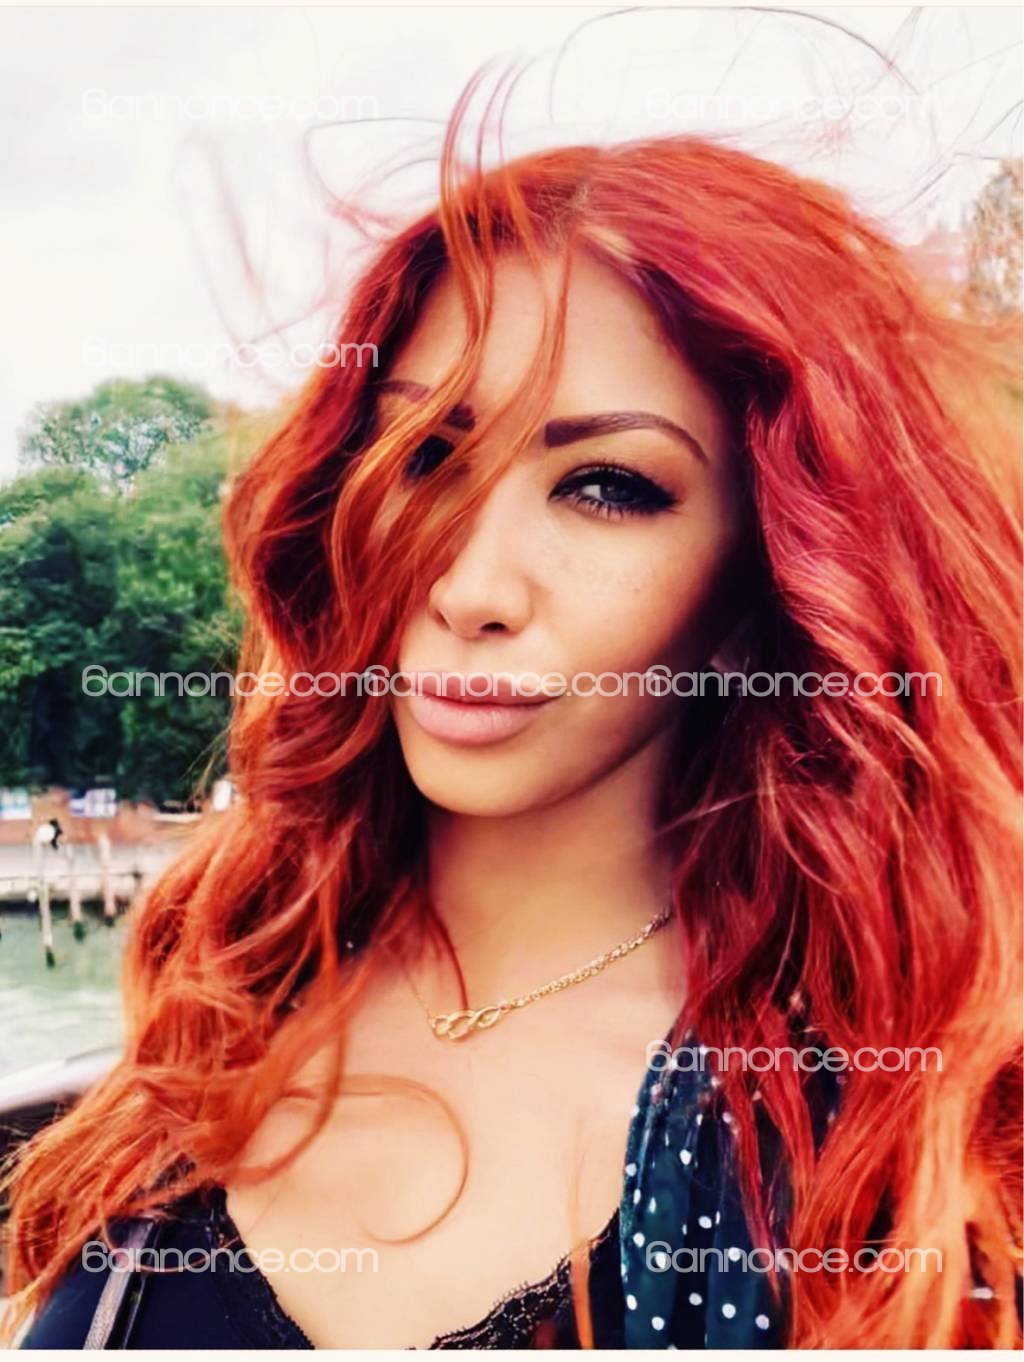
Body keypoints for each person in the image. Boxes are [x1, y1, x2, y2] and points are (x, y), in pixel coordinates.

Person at [3, 95, 1021, 1351]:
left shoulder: (869, 1151)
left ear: (769, 577)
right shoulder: (230, 977)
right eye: (427, 453)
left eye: (608, 488)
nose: (470, 587)